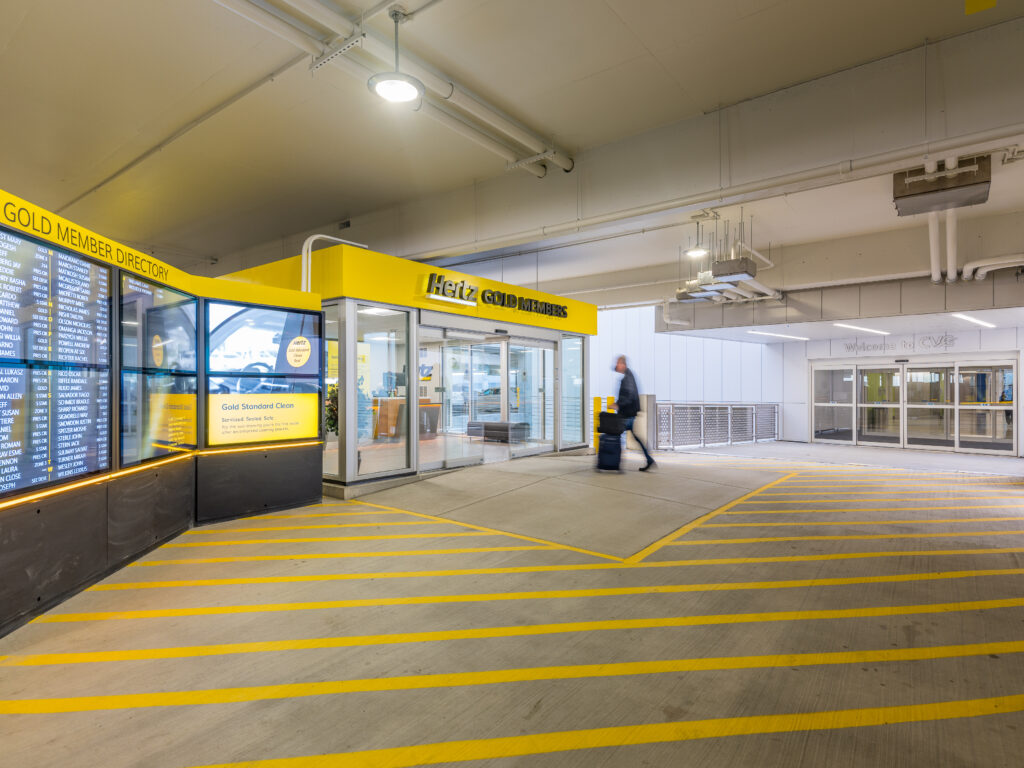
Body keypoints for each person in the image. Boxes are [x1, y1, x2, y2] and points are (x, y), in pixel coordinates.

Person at [613, 355, 655, 471]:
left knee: (617, 434)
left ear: (623, 364)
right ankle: (649, 459)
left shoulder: (627, 378)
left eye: (618, 363)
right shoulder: (628, 376)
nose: (616, 365)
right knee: (634, 437)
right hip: (629, 413)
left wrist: (618, 405)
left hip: (627, 414)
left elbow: (629, 396)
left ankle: (615, 463)